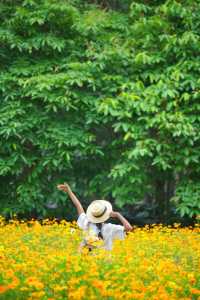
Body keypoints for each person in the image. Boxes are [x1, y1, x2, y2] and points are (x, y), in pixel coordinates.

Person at [57, 183, 132, 251]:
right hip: (105, 262)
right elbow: (129, 228)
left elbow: (78, 205)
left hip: (88, 261)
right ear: (106, 215)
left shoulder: (87, 222)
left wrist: (69, 191)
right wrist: (118, 215)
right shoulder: (110, 228)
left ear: (92, 215)